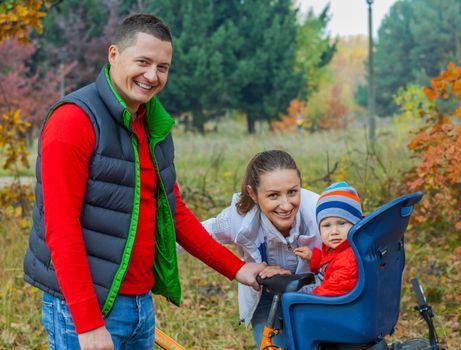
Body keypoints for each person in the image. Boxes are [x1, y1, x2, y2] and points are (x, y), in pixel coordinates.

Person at [23, 13, 269, 350]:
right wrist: (89, 324)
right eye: (143, 61)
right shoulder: (74, 121)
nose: (152, 76)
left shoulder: (151, 123)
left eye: (162, 67)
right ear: (114, 54)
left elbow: (173, 210)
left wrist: (238, 269)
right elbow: (61, 228)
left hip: (140, 303)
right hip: (88, 306)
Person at [201, 149, 322, 349]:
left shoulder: (320, 213)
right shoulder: (238, 218)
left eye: (292, 192)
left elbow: (348, 255)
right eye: (273, 195)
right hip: (267, 297)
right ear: (253, 194)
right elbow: (196, 236)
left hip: (315, 294)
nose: (285, 205)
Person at [294, 181, 362, 296]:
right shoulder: (340, 248)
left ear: (355, 224)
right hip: (325, 287)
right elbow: (332, 264)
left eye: (341, 223)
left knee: (291, 296)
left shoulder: (349, 258)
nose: (334, 232)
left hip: (329, 301)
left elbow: (332, 291)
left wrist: (308, 298)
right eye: (327, 225)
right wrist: (313, 257)